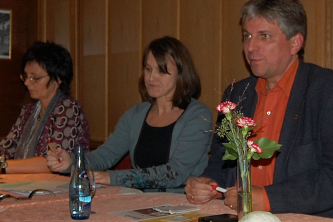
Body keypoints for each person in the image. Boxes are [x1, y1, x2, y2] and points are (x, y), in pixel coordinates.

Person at [185, 0, 333, 220]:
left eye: (264, 36)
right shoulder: (236, 95)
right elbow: (221, 163)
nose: (250, 47)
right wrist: (206, 184)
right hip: (238, 221)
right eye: (247, 36)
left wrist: (270, 198)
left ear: (295, 43)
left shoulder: (332, 92)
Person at [46, 37, 212, 191]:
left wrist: (112, 177)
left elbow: (174, 174)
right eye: (148, 69)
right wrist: (72, 162)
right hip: (138, 201)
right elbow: (105, 156)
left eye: (161, 71)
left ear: (181, 74)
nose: (151, 78)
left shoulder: (198, 116)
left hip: (180, 205)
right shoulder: (136, 114)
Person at [0, 41, 89, 173]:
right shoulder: (30, 110)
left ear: (58, 79)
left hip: (60, 187)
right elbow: (6, 148)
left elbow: (52, 162)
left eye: (34, 78)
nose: (26, 83)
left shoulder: (68, 109)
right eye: (25, 76)